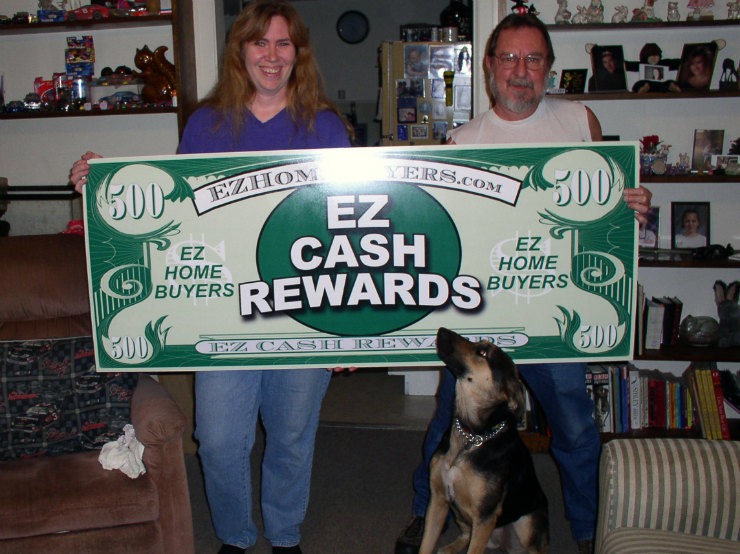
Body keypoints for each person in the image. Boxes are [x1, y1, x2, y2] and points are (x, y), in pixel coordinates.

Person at [69, 2, 353, 553]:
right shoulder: (206, 123)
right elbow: (176, 217)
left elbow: (346, 228)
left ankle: (286, 534)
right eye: (260, 42)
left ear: (298, 53)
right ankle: (235, 536)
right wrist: (105, 185)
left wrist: (347, 326)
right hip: (223, 314)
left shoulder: (324, 126)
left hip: (306, 309)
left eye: (284, 43)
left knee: (291, 436)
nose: (272, 55)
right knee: (220, 440)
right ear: (240, 51)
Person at [393, 14, 652, 554]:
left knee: (575, 429)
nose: (520, 70)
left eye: (533, 59)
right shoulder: (463, 139)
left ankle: (588, 528)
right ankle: (424, 508)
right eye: (509, 58)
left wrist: (630, 204)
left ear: (549, 67)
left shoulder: (579, 120)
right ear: (490, 66)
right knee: (447, 424)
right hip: (486, 321)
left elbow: (607, 206)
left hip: (555, 318)